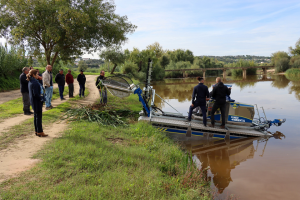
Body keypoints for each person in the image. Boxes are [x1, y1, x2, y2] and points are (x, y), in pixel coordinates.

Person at [27, 69, 48, 137]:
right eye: (37, 74)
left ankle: (37, 130)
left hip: (33, 101)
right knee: (38, 117)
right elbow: (36, 94)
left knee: (36, 116)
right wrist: (41, 98)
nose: (38, 75)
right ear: (33, 75)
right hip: (37, 102)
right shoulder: (35, 83)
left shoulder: (30, 81)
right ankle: (40, 131)